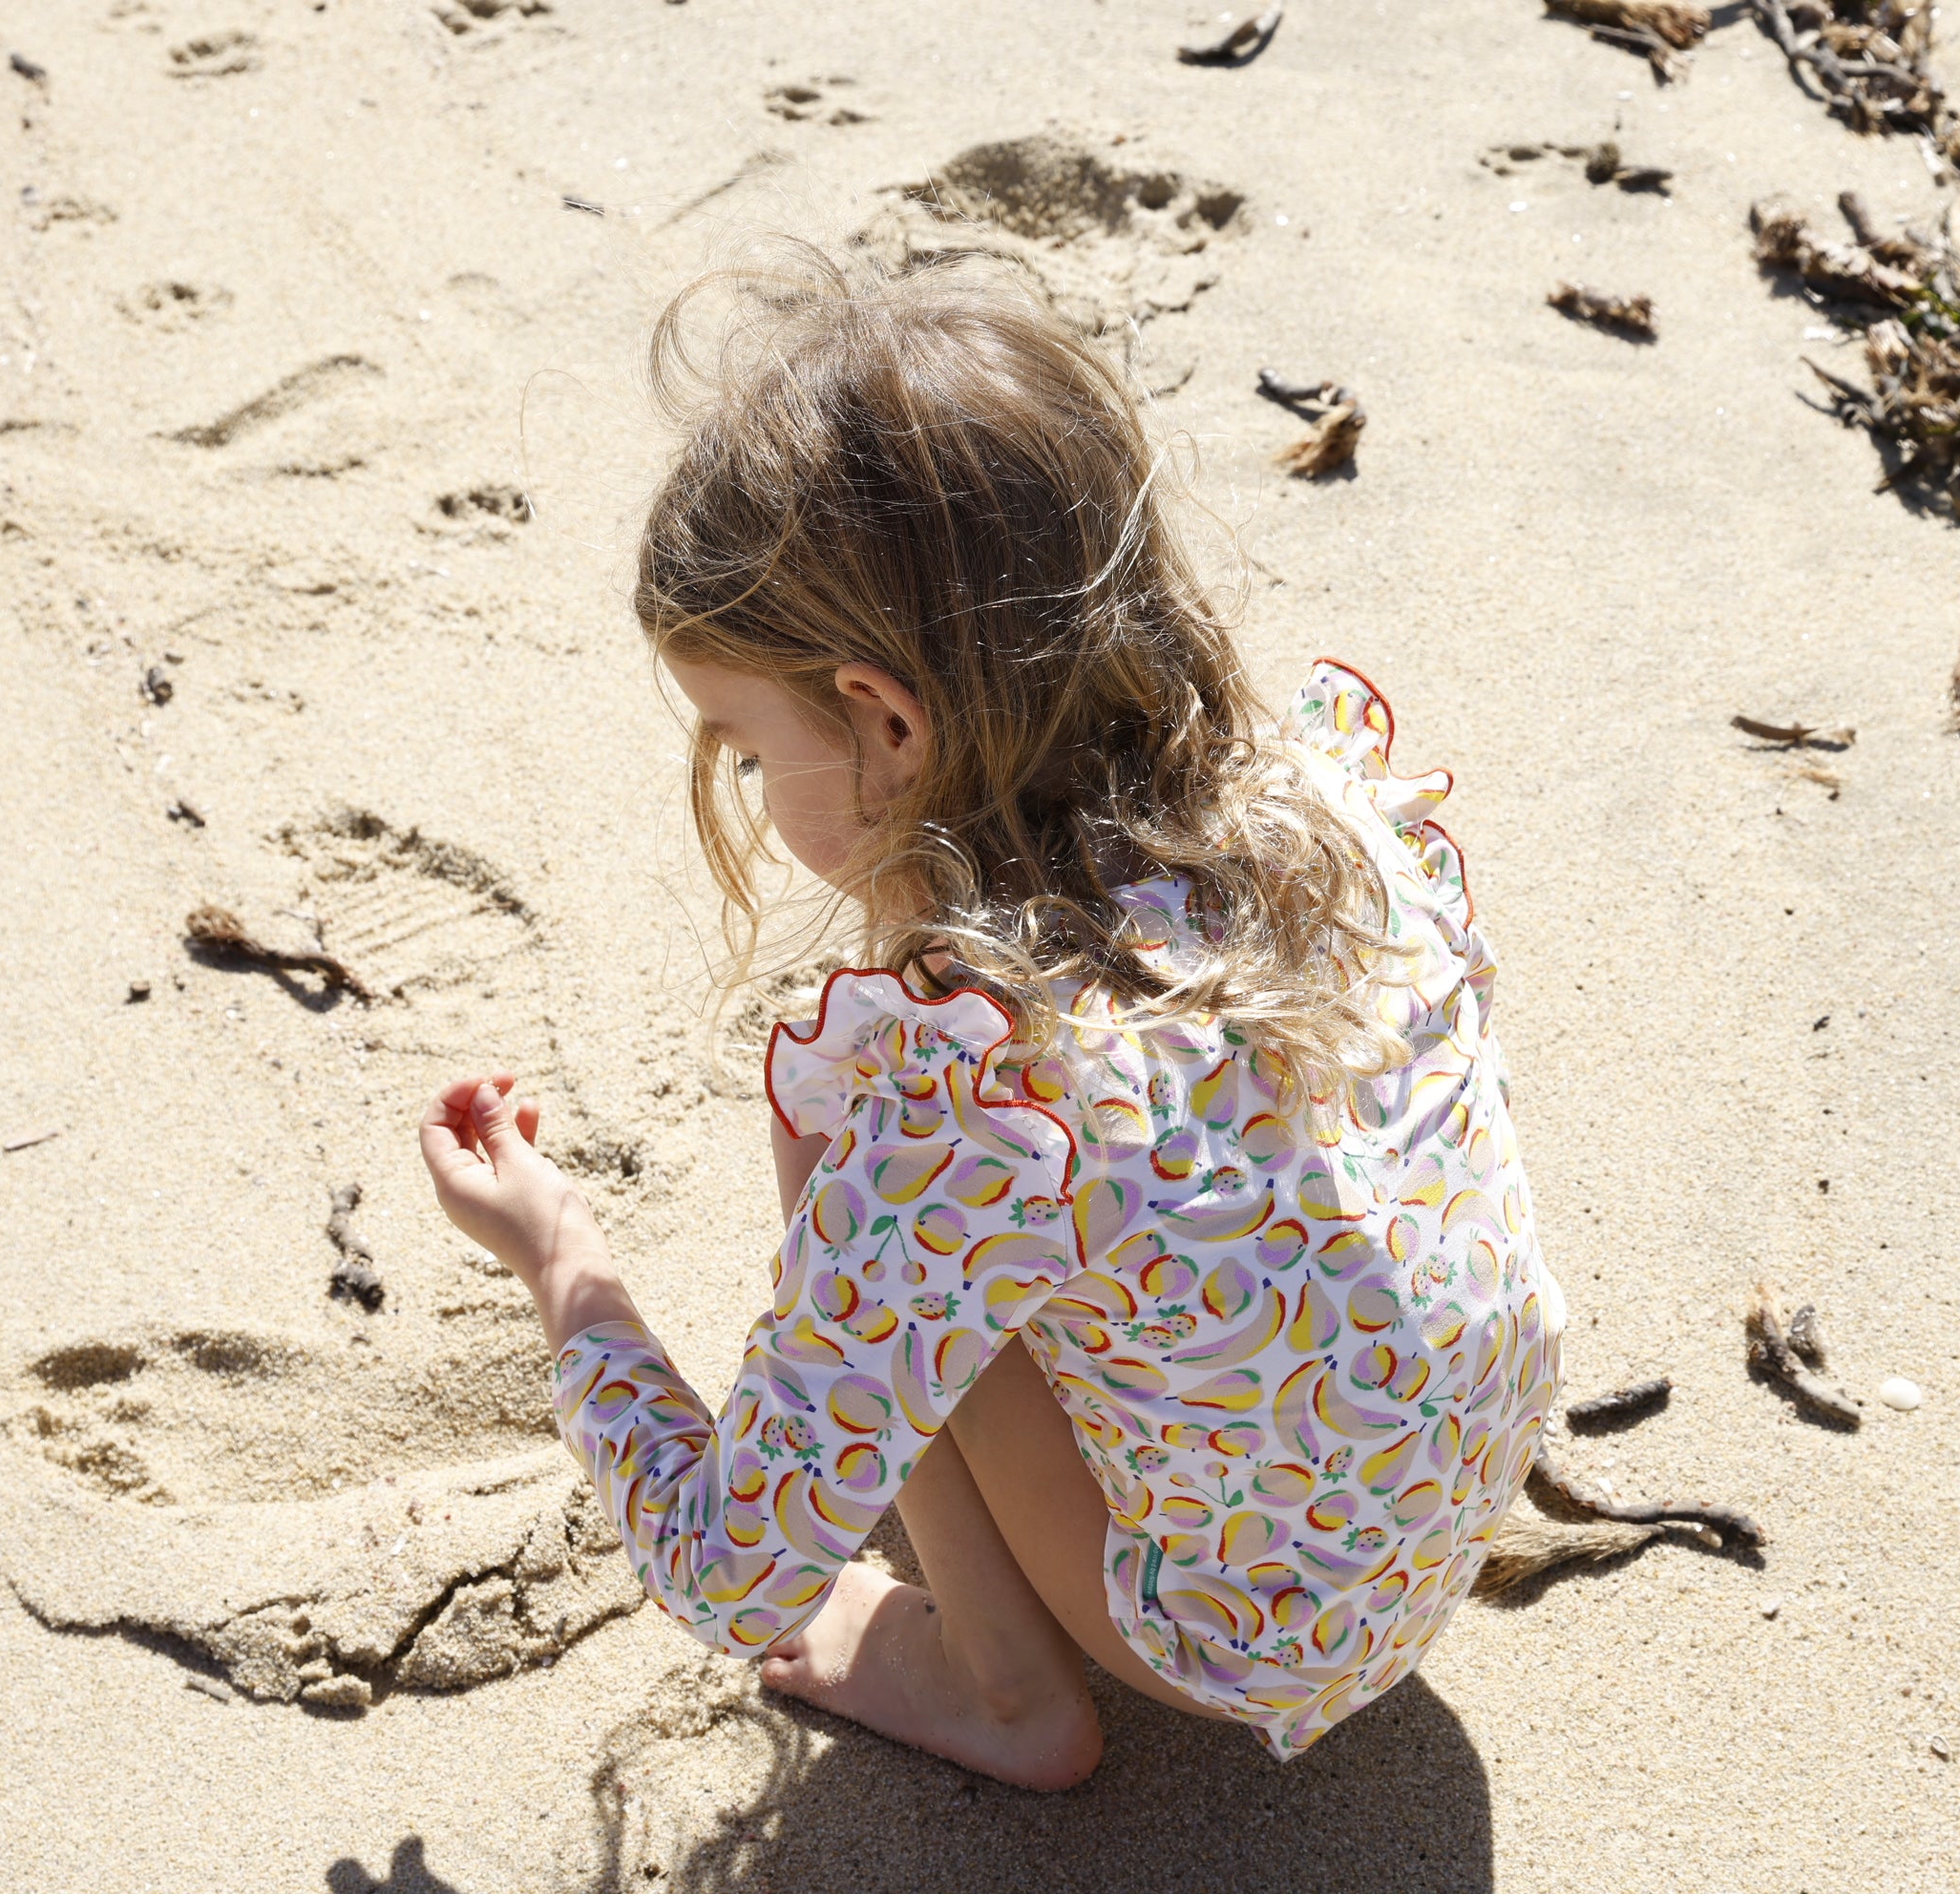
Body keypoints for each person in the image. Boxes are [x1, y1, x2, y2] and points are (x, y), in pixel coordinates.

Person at [417, 251, 1562, 1790]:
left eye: (751, 753)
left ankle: (1002, 1683)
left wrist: (567, 1270)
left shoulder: (975, 1089)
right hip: (1440, 1499)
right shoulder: (1324, 814)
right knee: (1072, 1204)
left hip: (1241, 1639)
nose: (751, 794)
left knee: (843, 1118)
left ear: (887, 720)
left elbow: (728, 1574)